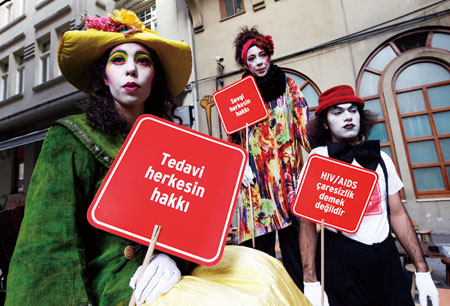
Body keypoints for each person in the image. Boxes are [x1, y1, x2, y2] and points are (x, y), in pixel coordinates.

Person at [5, 9, 193, 305]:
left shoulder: (174, 147)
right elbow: (49, 249)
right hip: (103, 294)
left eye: (143, 61)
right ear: (104, 77)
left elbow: (189, 229)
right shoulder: (70, 137)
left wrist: (172, 258)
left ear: (154, 76)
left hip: (175, 287)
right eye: (118, 60)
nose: (131, 69)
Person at [299, 85, 440, 306]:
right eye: (338, 112)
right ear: (325, 123)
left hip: (387, 259)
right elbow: (307, 223)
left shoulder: (382, 159)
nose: (348, 116)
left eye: (352, 110)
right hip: (342, 263)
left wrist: (422, 270)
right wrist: (310, 281)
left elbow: (398, 214)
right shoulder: (319, 159)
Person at [231, 26, 311, 290]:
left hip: (287, 179)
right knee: (260, 253)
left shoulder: (288, 85)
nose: (258, 62)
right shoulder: (238, 93)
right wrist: (239, 164)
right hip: (256, 184)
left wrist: (318, 155)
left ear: (269, 54)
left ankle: (298, 294)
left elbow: (303, 124)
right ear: (245, 63)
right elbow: (234, 137)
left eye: (261, 55)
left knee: (293, 248)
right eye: (251, 58)